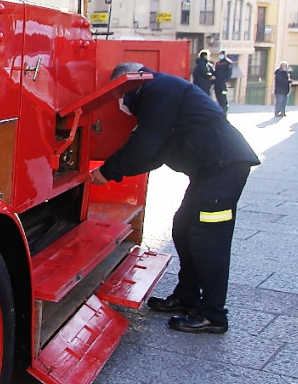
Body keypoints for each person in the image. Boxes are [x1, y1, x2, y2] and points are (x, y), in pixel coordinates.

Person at [90, 62, 260, 334]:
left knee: (208, 239)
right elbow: (156, 153)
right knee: (183, 229)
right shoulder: (159, 91)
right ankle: (187, 297)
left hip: (223, 169)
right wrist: (114, 170)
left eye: (121, 95)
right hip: (211, 172)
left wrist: (108, 171)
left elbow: (147, 144)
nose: (121, 103)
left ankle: (213, 314)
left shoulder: (158, 90)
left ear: (130, 82)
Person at [212, 50, 232, 115]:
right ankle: (220, 111)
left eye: (221, 54)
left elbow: (229, 73)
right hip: (217, 83)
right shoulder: (218, 63)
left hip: (223, 84)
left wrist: (226, 81)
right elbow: (215, 72)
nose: (220, 56)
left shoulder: (228, 63)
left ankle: (224, 112)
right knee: (218, 98)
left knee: (223, 99)